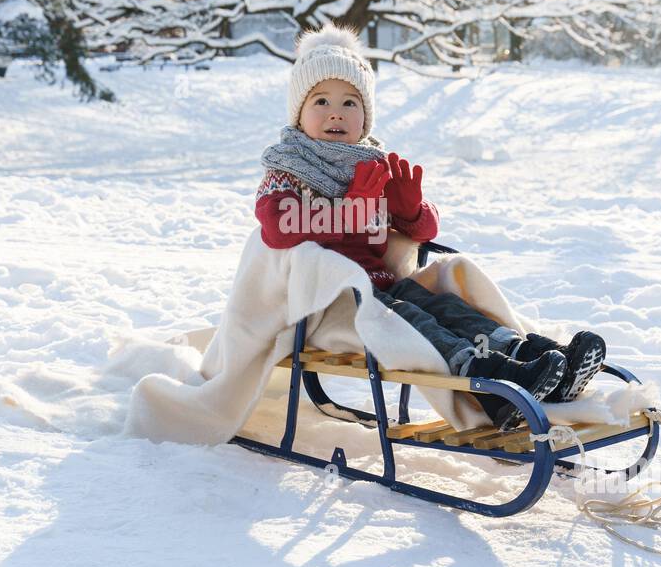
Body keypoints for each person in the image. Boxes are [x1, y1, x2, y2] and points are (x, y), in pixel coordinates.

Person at [255, 23, 606, 432]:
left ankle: (526, 356)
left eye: (351, 102)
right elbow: (277, 226)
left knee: (446, 307)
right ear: (299, 113)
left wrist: (410, 210)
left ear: (365, 117)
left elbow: (418, 234)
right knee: (413, 320)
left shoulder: (372, 164)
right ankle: (488, 384)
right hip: (330, 302)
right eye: (321, 100)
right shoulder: (288, 168)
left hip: (383, 285)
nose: (336, 112)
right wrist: (348, 211)